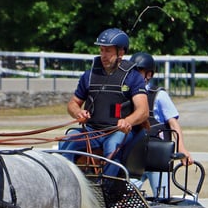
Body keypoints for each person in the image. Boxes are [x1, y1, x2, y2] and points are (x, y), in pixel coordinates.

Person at [59, 28, 149, 175]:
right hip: (92, 131)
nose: (103, 55)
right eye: (101, 50)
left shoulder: (133, 77)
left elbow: (143, 111)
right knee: (68, 142)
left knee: (112, 146)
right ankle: (67, 183)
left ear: (121, 52)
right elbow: (72, 104)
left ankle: (106, 189)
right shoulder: (89, 75)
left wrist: (128, 121)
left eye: (108, 51)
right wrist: (78, 112)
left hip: (118, 131)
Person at [129, 51, 193, 198]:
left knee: (162, 196)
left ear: (149, 74)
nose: (134, 75)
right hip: (135, 155)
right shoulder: (129, 94)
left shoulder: (159, 95)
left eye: (138, 71)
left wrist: (181, 148)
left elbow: (173, 124)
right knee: (126, 195)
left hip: (157, 155)